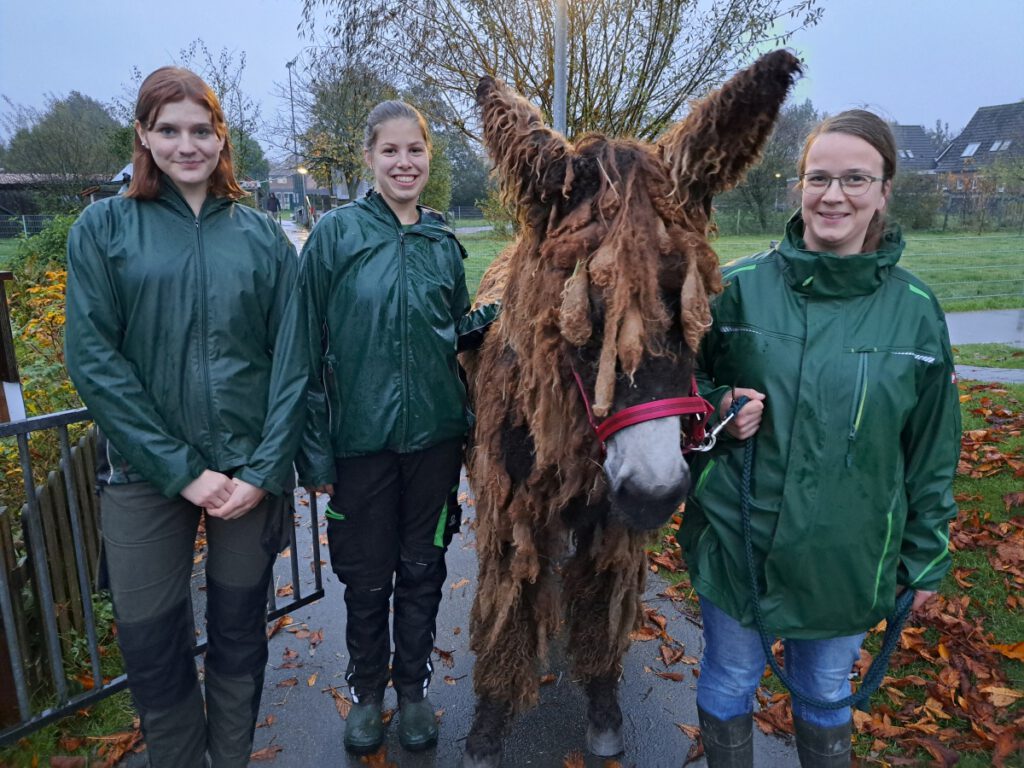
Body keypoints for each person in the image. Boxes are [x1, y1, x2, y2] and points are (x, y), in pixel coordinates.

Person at [682, 110, 961, 767]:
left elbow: (932, 451)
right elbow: (683, 387)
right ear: (799, 186)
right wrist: (719, 408)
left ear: (885, 191)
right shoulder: (740, 290)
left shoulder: (916, 313)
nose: (834, 195)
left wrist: (925, 555)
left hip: (850, 555)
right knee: (727, 681)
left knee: (825, 691)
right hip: (738, 544)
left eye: (855, 179)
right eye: (819, 178)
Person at [65, 66, 308, 768]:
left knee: (237, 635)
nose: (186, 144)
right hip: (144, 478)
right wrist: (181, 470)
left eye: (200, 130)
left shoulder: (262, 239)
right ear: (142, 135)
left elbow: (291, 363)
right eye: (168, 130)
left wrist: (263, 470)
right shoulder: (105, 228)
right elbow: (94, 361)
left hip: (247, 480)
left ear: (221, 135)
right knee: (151, 645)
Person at [298, 100, 498, 755]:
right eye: (390, 151)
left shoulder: (442, 242)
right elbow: (304, 345)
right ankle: (367, 696)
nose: (403, 162)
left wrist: (497, 316)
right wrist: (316, 455)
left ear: (428, 157)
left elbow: (451, 330)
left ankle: (412, 691)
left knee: (422, 570)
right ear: (370, 158)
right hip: (360, 446)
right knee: (366, 578)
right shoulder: (336, 236)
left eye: (414, 150)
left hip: (434, 443)